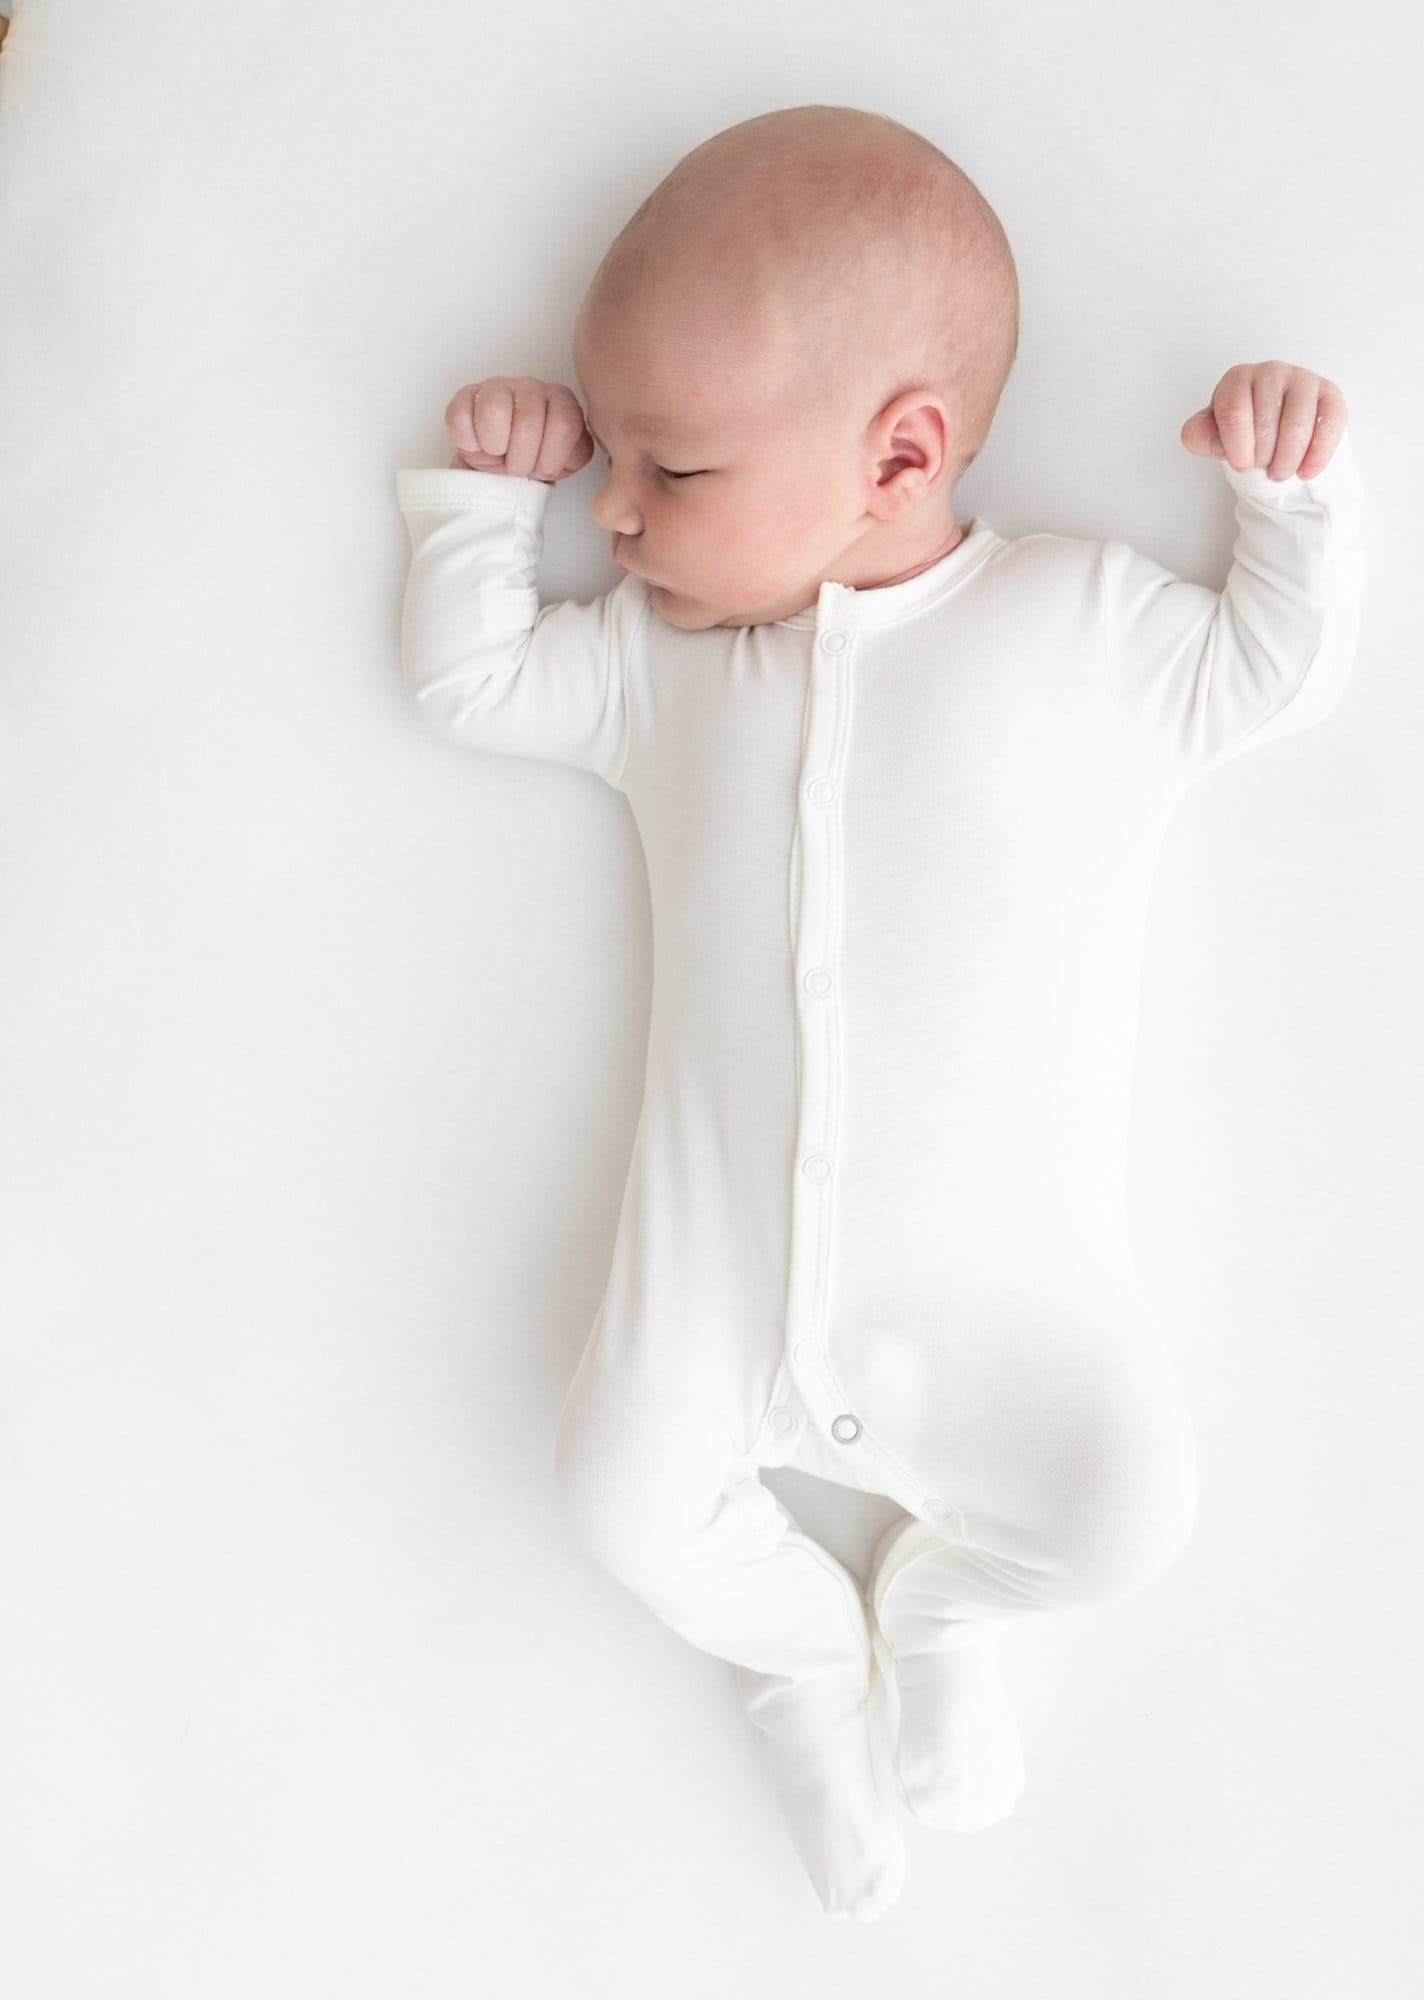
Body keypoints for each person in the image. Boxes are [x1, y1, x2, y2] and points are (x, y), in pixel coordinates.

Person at [393, 101, 1366, 1921]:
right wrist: (482, 506)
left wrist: (1287, 495)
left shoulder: (1081, 629)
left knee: (1120, 1513)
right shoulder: (663, 667)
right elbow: (470, 681)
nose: (613, 510)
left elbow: (1271, 667)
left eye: (665, 473)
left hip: (1005, 1311)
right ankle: (794, 1664)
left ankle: (941, 1607)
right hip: (721, 1294)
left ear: (902, 452)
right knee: (622, 1493)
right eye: (608, 462)